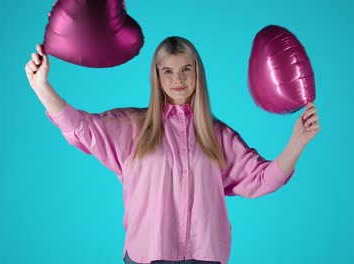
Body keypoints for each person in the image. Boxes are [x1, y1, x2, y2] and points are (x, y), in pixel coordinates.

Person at [24, 36, 320, 264]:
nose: (177, 80)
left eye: (185, 70)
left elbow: (261, 179)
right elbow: (81, 128)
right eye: (168, 71)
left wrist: (298, 141)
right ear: (157, 76)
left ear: (197, 73)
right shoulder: (130, 127)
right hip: (147, 256)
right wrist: (41, 87)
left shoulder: (219, 136)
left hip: (206, 257)